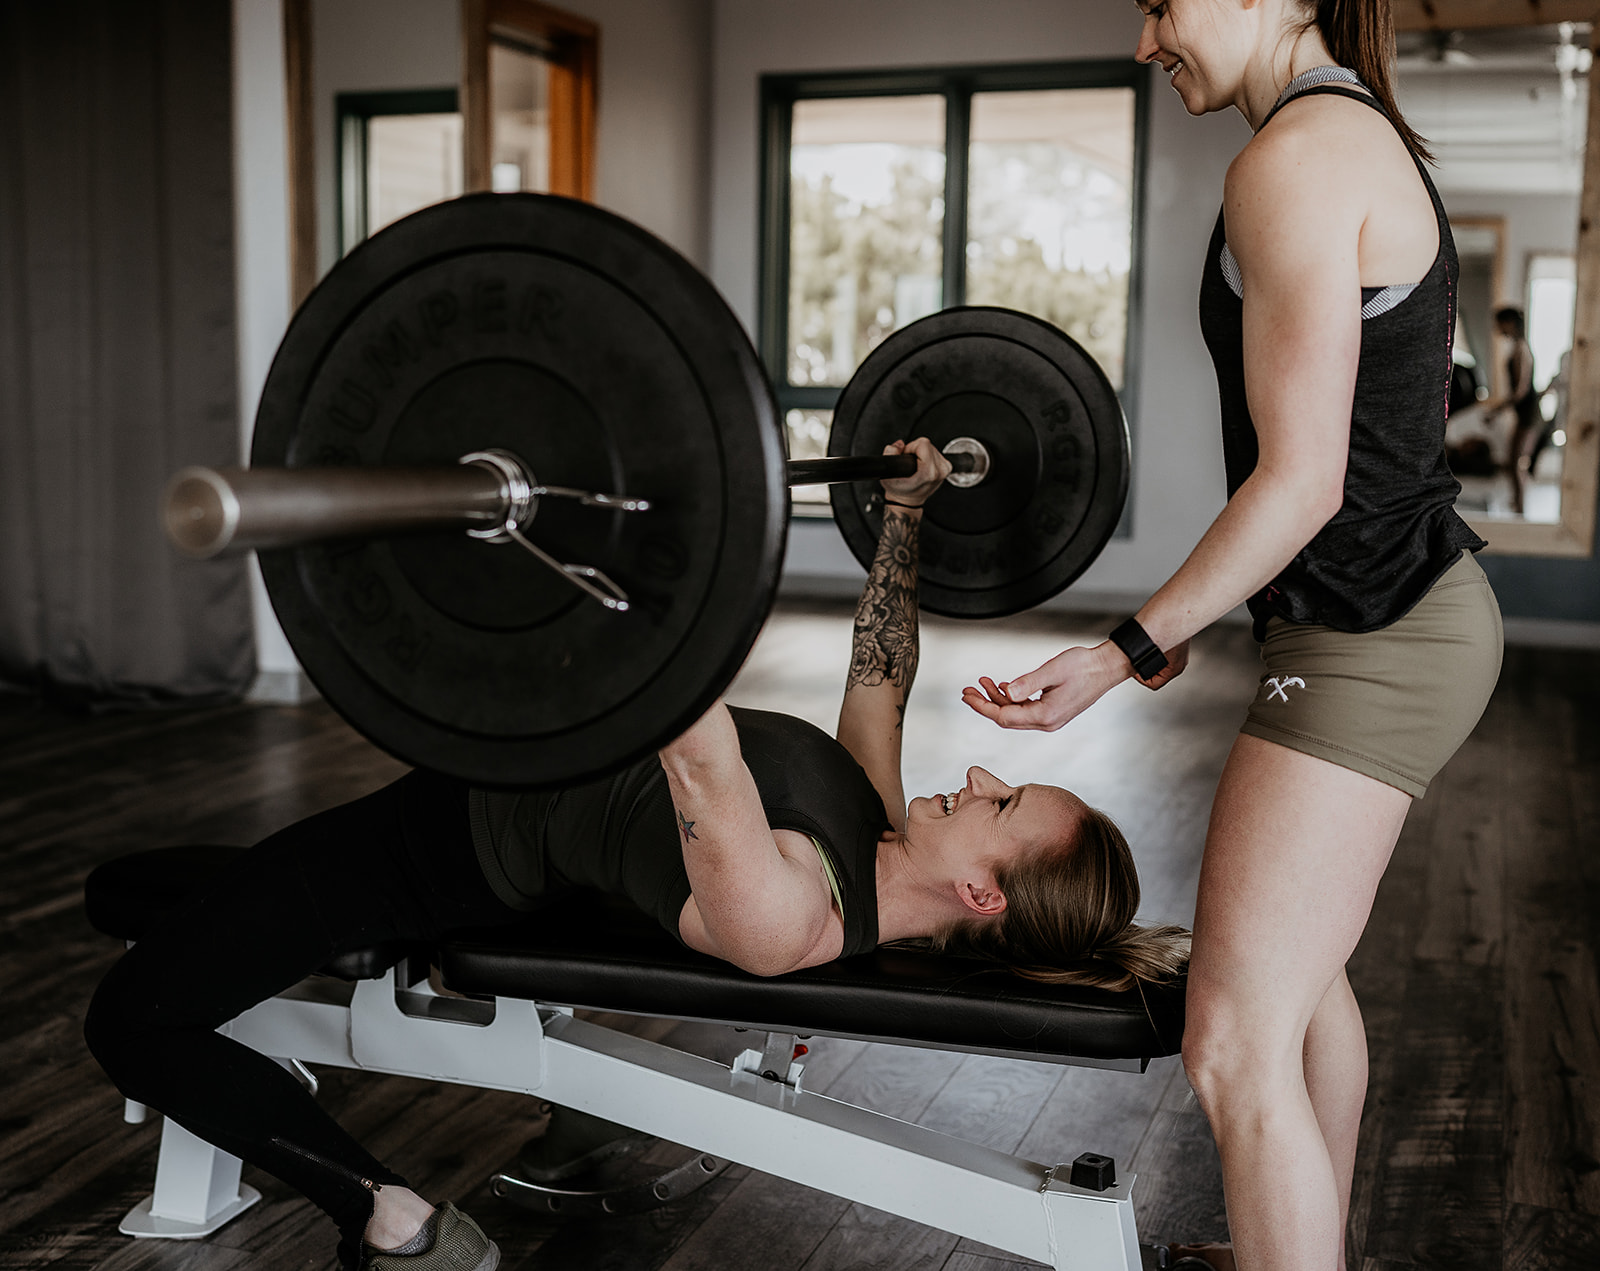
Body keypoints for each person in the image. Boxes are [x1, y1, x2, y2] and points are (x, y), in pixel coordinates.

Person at [84, 437, 1187, 1271]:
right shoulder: (878, 822)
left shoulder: (790, 914)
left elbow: (699, 758)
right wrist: (903, 514)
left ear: (980, 890)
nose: (980, 777)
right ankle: (253, 1078)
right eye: (1002, 777)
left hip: (430, 851)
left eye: (999, 802)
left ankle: (390, 1215)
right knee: (206, 922)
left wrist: (665, 548)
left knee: (134, 1015)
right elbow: (880, 667)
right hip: (478, 796)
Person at [962, 4, 1503, 1270]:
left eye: (1160, 3)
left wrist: (1119, 649)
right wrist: (1215, 614)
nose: (1146, 40)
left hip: (1374, 637)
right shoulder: (1335, 137)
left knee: (1229, 1040)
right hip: (1380, 617)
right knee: (1302, 992)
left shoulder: (1298, 157)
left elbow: (1305, 479)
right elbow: (1337, 459)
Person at [1481, 305, 1545, 514]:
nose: (1497, 328)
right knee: (1515, 462)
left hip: (1529, 412)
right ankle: (1518, 504)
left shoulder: (1521, 349)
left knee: (1515, 462)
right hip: (1524, 412)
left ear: (1508, 323)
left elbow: (1520, 391)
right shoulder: (1518, 347)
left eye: (1499, 323)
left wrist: (1496, 410)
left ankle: (1520, 508)